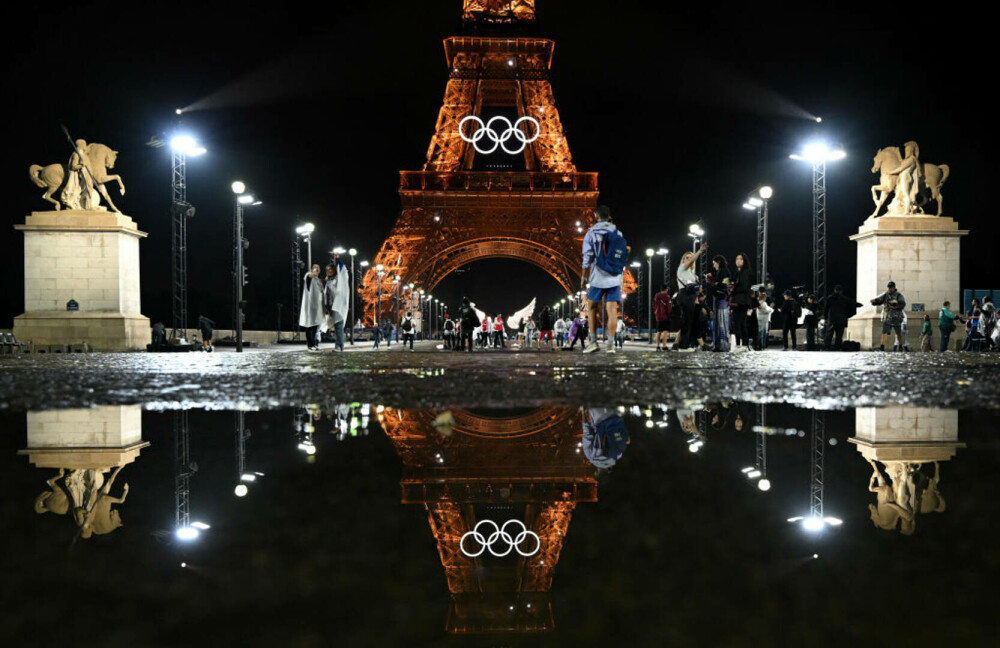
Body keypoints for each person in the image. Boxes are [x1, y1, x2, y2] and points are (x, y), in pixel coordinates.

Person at [580, 205, 627, 354]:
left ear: (595, 215)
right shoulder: (617, 231)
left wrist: (583, 275)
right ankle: (611, 345)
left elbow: (587, 256)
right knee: (612, 311)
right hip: (614, 276)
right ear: (609, 217)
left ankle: (593, 342)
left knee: (592, 307)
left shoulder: (591, 233)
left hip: (598, 276)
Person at [675, 243, 708, 351]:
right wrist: (700, 251)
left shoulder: (692, 273)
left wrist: (698, 289)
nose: (689, 259)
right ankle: (683, 346)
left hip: (691, 297)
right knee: (686, 321)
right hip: (685, 295)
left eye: (690, 257)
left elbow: (696, 289)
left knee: (689, 321)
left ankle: (685, 344)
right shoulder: (682, 268)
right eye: (687, 258)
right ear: (683, 260)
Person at [870, 281, 906, 351]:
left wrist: (895, 306)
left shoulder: (899, 295)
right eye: (889, 287)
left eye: (891, 287)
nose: (890, 289)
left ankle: (900, 346)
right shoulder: (886, 295)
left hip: (896, 317)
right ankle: (882, 346)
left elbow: (902, 304)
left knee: (898, 333)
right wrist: (874, 301)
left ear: (894, 287)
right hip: (887, 317)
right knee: (885, 332)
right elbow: (880, 300)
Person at [823, 285, 861, 350]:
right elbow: (853, 303)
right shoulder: (844, 298)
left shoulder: (830, 298)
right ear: (841, 291)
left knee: (829, 333)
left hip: (832, 319)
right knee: (839, 335)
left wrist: (825, 317)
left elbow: (826, 309)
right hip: (841, 320)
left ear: (834, 290)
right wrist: (860, 304)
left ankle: (827, 347)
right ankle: (837, 347)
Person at [323, 260, 349, 352]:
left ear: (334, 269)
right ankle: (340, 346)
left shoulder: (339, 278)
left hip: (338, 306)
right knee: (337, 326)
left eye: (330, 269)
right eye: (327, 269)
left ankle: (338, 346)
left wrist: (338, 259)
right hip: (331, 306)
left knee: (339, 326)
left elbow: (343, 270)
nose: (329, 271)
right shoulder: (329, 281)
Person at [299, 263, 325, 351]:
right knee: (309, 326)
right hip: (310, 307)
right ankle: (310, 345)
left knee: (315, 327)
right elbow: (309, 276)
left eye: (318, 268)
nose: (316, 269)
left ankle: (314, 344)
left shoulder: (318, 280)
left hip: (317, 307)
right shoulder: (308, 276)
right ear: (311, 269)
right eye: (314, 268)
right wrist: (312, 273)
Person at [729, 253, 753, 351]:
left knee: (740, 323)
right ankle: (741, 344)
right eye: (737, 259)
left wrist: (733, 290)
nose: (738, 261)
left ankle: (743, 344)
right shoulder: (738, 272)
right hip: (739, 300)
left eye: (741, 259)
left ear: (744, 261)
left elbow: (744, 287)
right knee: (738, 323)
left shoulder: (745, 272)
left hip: (742, 300)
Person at [707, 255, 731, 351]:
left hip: (721, 300)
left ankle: (722, 345)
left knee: (721, 321)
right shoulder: (721, 272)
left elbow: (726, 284)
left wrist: (716, 283)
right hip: (718, 299)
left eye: (714, 263)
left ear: (718, 262)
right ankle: (719, 345)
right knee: (718, 321)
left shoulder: (725, 272)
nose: (714, 266)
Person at [652, 283, 673, 351]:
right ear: (666, 289)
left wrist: (656, 313)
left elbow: (654, 306)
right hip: (665, 316)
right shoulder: (667, 297)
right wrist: (670, 316)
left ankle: (657, 346)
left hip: (658, 316)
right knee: (665, 331)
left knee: (658, 331)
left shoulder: (656, 296)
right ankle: (664, 346)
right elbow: (669, 308)